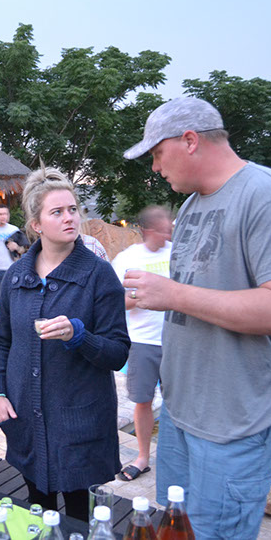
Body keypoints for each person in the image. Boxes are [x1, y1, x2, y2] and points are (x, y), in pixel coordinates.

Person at [123, 97, 271, 539]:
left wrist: (173, 294)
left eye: (157, 153)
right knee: (176, 529)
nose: (155, 167)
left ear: (190, 141)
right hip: (182, 414)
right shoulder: (193, 204)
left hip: (236, 423)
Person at [0, 167, 130, 521]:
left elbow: (117, 352)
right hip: (26, 416)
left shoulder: (98, 275)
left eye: (73, 209)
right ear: (36, 224)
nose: (70, 218)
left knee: (80, 515)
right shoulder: (17, 275)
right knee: (38, 509)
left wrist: (78, 335)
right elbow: (1, 341)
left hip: (79, 421)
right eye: (57, 212)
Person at [110, 205, 172, 482]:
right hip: (142, 342)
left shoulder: (177, 254)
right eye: (161, 228)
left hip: (177, 341)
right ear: (146, 230)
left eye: (168, 227)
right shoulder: (127, 259)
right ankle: (143, 457)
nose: (167, 233)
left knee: (178, 404)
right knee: (143, 401)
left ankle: (175, 459)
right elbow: (113, 302)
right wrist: (141, 296)